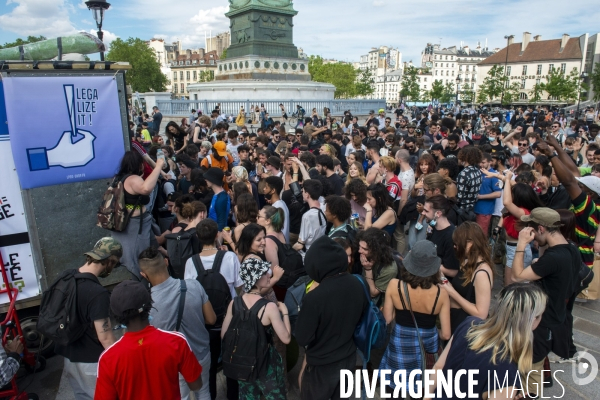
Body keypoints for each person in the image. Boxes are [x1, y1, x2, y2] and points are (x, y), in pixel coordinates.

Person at [427, 283, 547, 399]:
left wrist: (426, 397)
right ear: (533, 320)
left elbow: (439, 366)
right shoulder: (508, 371)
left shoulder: (469, 325)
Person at [511, 208, 581, 396]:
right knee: (535, 364)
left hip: (542, 323)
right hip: (556, 316)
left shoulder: (553, 258)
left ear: (540, 229)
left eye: (532, 231)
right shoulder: (570, 249)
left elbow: (517, 275)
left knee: (532, 369)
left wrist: (521, 244)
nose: (531, 236)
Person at [94, 280, 203, 399]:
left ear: (116, 314)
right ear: (149, 305)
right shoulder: (176, 341)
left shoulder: (107, 359)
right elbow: (196, 385)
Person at [296, 236, 368, 400]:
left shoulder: (314, 298)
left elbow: (302, 337)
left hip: (321, 367)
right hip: (349, 358)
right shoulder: (358, 283)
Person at [138, 247, 215, 400]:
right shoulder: (194, 286)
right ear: (166, 262)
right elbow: (211, 319)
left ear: (144, 275)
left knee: (179, 396)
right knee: (204, 391)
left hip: (172, 362)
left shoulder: (147, 304)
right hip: (201, 353)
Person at [380, 240, 451, 393]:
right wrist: (431, 332)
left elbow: (387, 318)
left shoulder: (394, 285)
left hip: (400, 345)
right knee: (422, 388)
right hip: (426, 347)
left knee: (395, 390)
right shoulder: (441, 293)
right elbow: (446, 334)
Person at [54, 238, 120, 400]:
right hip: (90, 362)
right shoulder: (97, 293)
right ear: (110, 261)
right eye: (115, 264)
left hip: (68, 357)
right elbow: (105, 338)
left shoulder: (65, 277)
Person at [184, 219, 242, 400]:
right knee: (232, 363)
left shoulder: (191, 263)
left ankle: (211, 395)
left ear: (197, 237)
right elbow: (240, 287)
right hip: (230, 320)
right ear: (217, 234)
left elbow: (190, 293)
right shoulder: (230, 257)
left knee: (209, 366)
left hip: (205, 325)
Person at [110, 151, 164, 280]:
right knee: (138, 257)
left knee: (152, 248)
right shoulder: (132, 179)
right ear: (138, 164)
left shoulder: (117, 178)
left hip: (130, 223)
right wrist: (158, 166)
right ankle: (143, 282)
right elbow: (146, 189)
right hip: (134, 224)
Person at [440, 222, 494, 334]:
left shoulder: (482, 273)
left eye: (457, 243)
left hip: (466, 328)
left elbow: (481, 314)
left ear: (470, 243)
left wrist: (451, 291)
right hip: (456, 321)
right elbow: (463, 280)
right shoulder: (467, 261)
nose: (455, 246)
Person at [355, 228, 398, 305]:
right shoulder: (367, 255)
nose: (359, 251)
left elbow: (373, 293)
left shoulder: (389, 269)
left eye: (364, 249)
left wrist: (368, 269)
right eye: (359, 246)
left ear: (376, 250)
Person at [421, 195, 460, 279]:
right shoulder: (433, 227)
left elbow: (453, 272)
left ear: (438, 213)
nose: (423, 213)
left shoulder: (450, 237)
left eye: (426, 211)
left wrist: (426, 263)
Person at [293, 179, 326, 255]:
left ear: (307, 194)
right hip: (321, 251)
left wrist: (289, 251)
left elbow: (299, 245)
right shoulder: (324, 206)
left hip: (308, 255)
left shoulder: (307, 216)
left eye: (303, 191)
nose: (302, 192)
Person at [474, 153, 502, 237]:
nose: (480, 164)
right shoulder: (478, 172)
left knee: (481, 235)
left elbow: (498, 193)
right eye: (479, 162)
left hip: (485, 210)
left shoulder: (493, 175)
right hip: (475, 209)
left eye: (483, 162)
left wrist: (480, 197)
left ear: (489, 162)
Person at [456, 146, 483, 212]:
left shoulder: (463, 174)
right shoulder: (478, 171)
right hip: (473, 207)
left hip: (462, 209)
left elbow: (460, 197)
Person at [263, 176, 290, 243]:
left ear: (273, 190)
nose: (264, 189)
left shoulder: (276, 208)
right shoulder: (281, 203)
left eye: (266, 187)